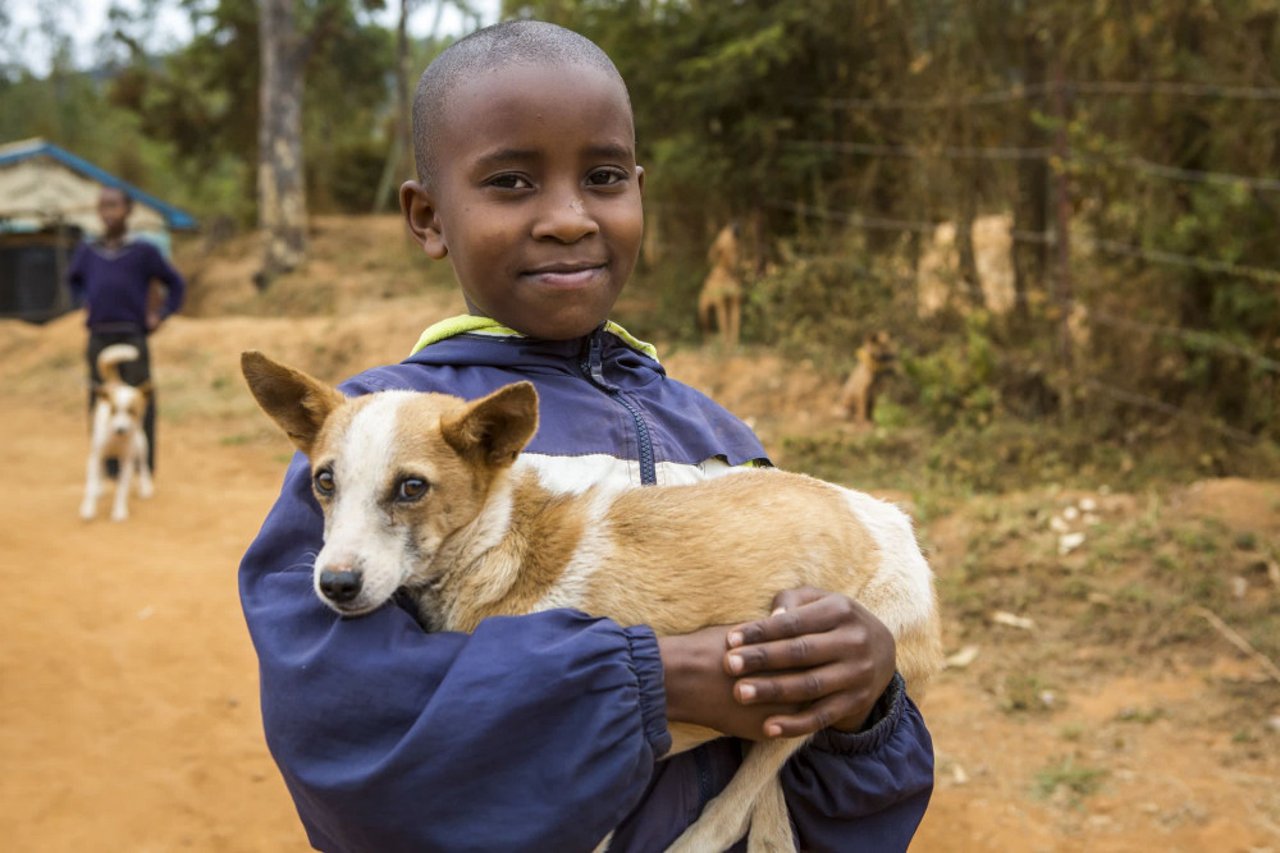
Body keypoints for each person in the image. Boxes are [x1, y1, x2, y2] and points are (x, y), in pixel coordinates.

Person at [239, 20, 934, 853]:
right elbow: (343, 728)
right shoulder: (362, 439)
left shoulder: (719, 440)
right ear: (428, 217)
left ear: (640, 191)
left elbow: (821, 782)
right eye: (511, 182)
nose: (568, 218)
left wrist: (864, 704)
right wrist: (654, 679)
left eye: (603, 177)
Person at [68, 186, 186, 474]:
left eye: (114, 206)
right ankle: (109, 466)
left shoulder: (143, 251)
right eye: (103, 206)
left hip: (133, 334)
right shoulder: (87, 251)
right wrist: (84, 305)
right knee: (102, 402)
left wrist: (161, 314)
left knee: (138, 399)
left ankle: (141, 465)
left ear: (128, 210)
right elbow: (72, 280)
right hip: (98, 335)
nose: (109, 213)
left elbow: (176, 284)